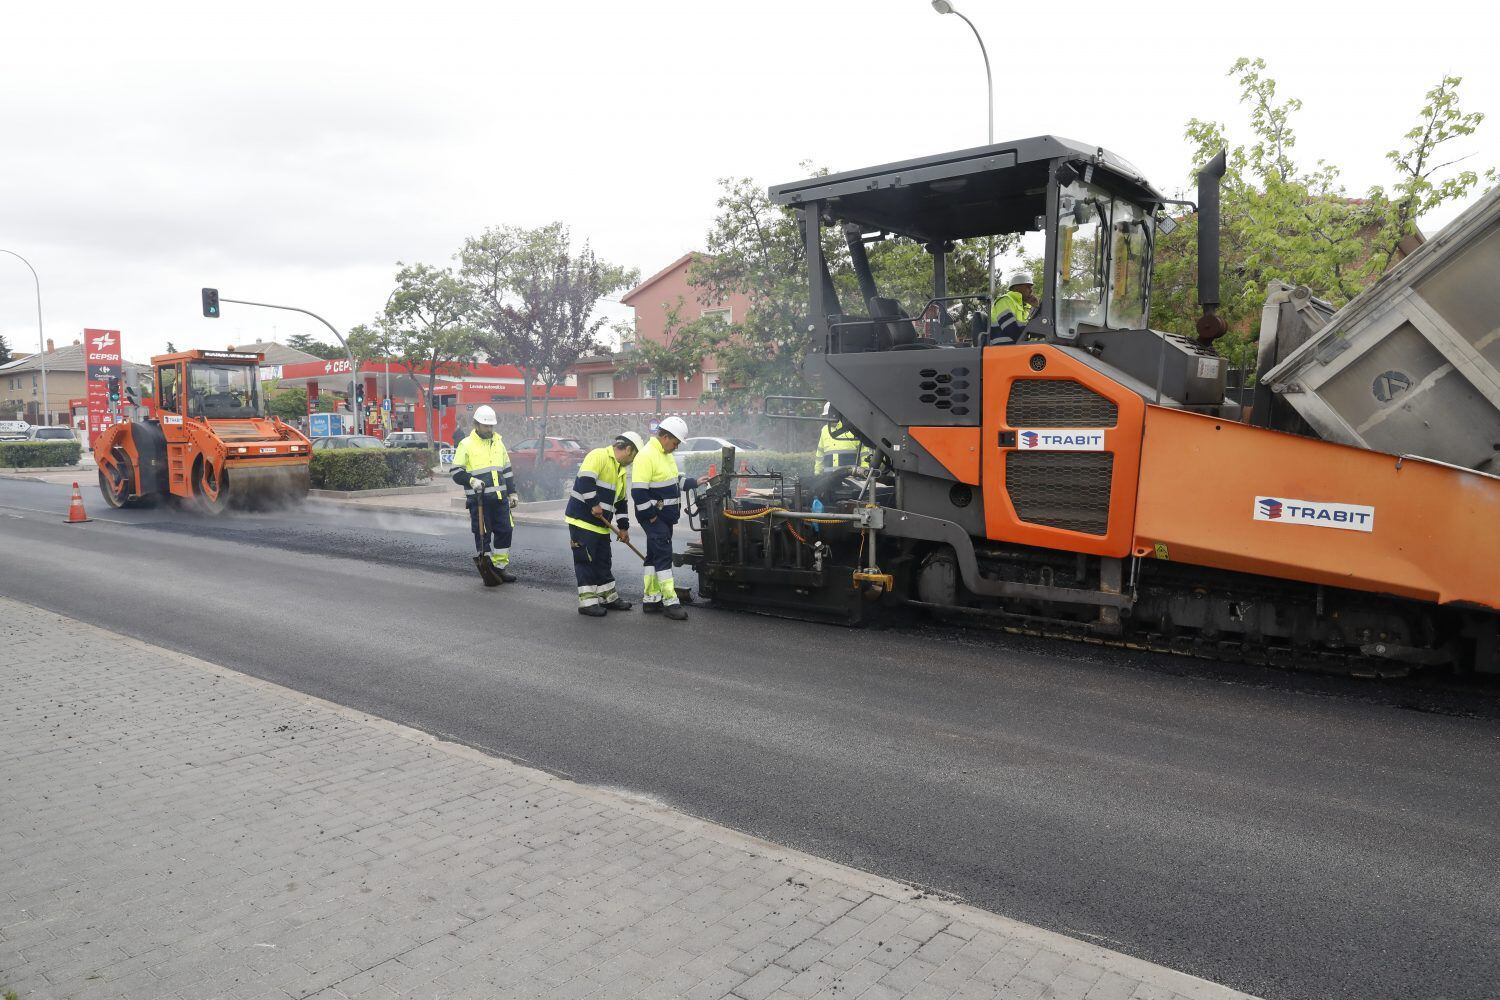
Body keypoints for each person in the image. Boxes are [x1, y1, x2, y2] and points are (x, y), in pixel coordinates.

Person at [564, 432, 644, 617]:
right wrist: (594, 504)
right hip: (582, 521)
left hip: (601, 525)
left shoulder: (621, 471)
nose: (633, 461)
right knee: (586, 560)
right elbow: (585, 480)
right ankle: (588, 603)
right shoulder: (598, 455)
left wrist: (623, 528)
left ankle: (609, 597)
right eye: (634, 456)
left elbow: (621, 503)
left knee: (603, 560)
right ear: (629, 449)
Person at [630, 415, 697, 621]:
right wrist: (651, 517)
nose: (676, 447)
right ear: (666, 437)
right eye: (675, 443)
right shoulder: (646, 455)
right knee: (664, 555)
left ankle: (651, 599)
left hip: (664, 518)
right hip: (655, 518)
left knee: (652, 556)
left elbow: (672, 480)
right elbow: (638, 493)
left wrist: (694, 482)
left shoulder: (665, 455)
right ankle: (670, 602)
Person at [451, 405, 518, 582]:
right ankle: (488, 569)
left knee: (505, 530)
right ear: (476, 425)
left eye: (491, 426)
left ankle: (500, 567)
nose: (489, 429)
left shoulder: (498, 443)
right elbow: (456, 472)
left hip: (500, 499)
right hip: (479, 500)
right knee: (483, 535)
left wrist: (512, 493)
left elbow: (507, 471)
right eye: (486, 426)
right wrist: (471, 481)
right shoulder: (466, 444)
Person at [813, 403, 867, 473]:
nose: (828, 418)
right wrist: (817, 473)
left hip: (849, 478)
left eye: (829, 415)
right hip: (828, 479)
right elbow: (820, 454)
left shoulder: (852, 429)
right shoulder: (824, 430)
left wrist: (865, 470)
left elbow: (864, 452)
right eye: (826, 416)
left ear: (837, 415)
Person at [988, 269, 1038, 345]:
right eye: (1028, 287)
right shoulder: (1004, 301)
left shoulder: (1024, 308)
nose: (1031, 290)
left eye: (1031, 287)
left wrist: (1036, 307)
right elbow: (1011, 330)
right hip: (1003, 348)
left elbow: (1030, 329)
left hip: (1015, 347)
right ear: (1016, 287)